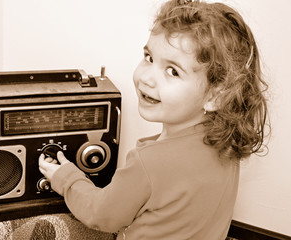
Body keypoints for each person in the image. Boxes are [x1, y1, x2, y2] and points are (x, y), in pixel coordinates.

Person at [38, 0, 269, 239]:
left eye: (173, 71)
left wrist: (66, 177)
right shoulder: (226, 144)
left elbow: (101, 214)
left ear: (215, 95)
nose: (147, 78)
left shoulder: (148, 163)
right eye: (149, 57)